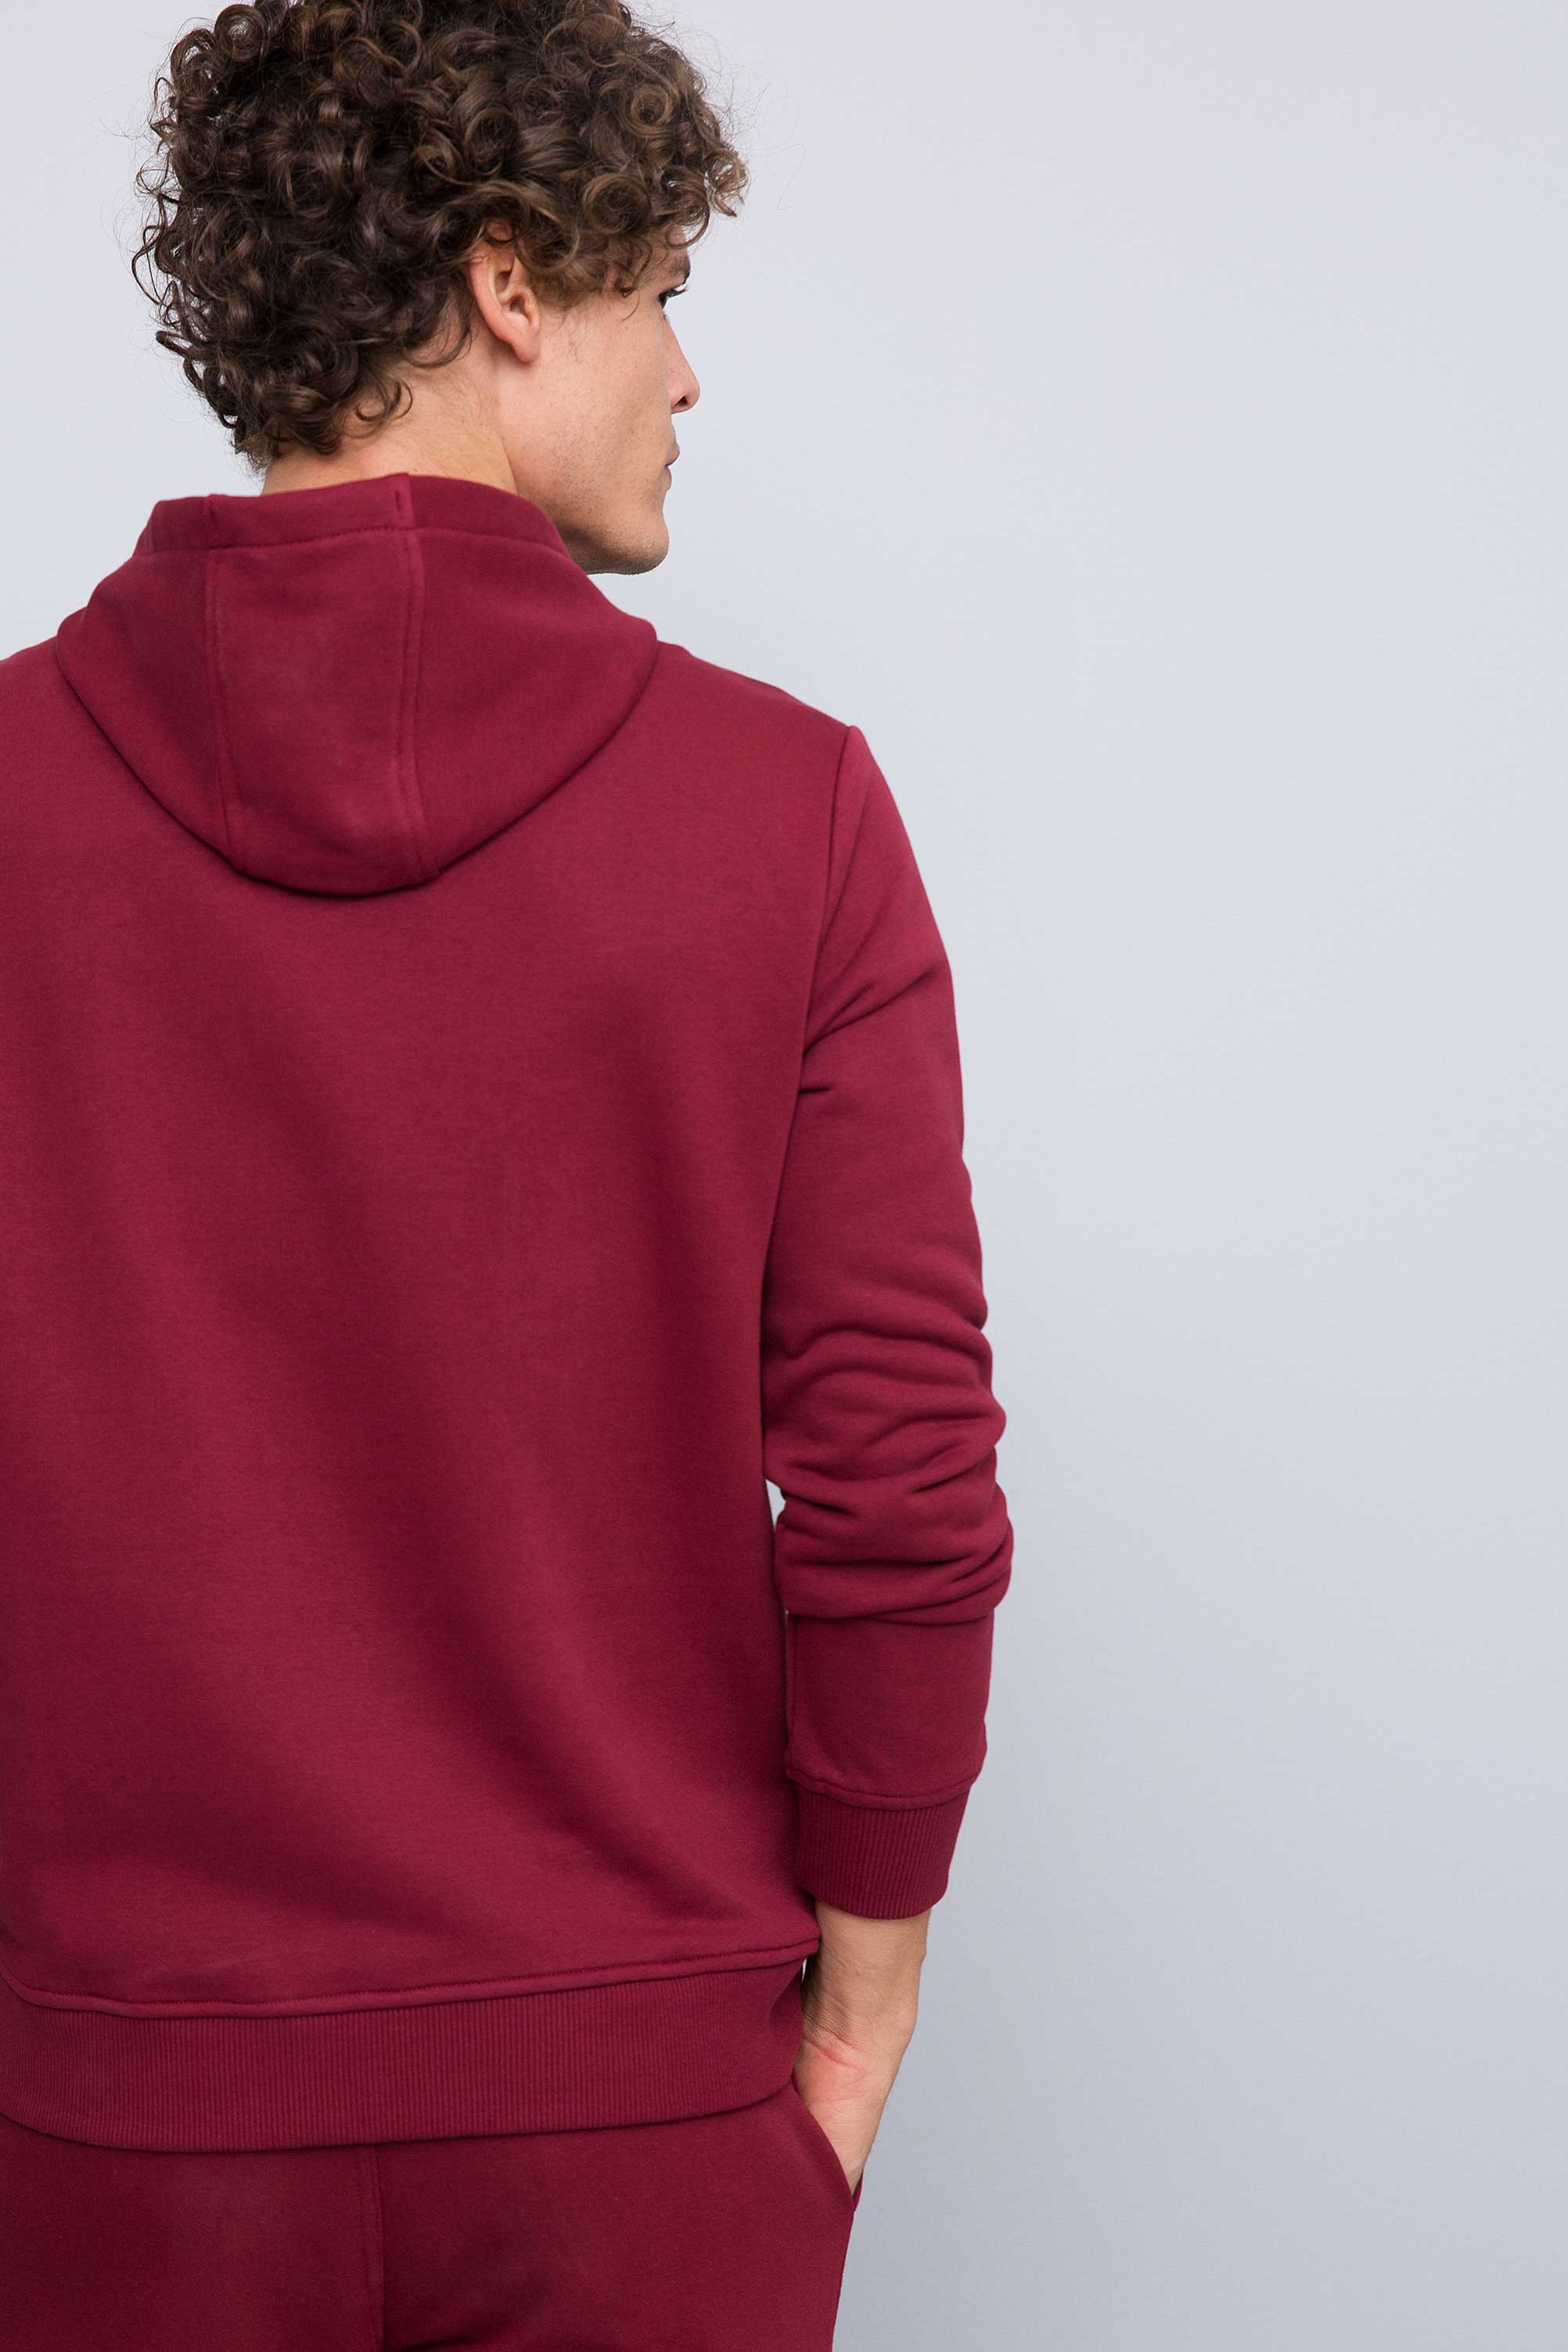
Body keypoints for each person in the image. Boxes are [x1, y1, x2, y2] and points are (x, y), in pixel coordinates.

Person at [0, 2, 1014, 2343]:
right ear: (510, 283)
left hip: (118, 2132)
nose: (687, 374)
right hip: (638, 2127)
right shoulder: (789, 812)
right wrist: (860, 2011)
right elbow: (893, 1472)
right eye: (659, 289)